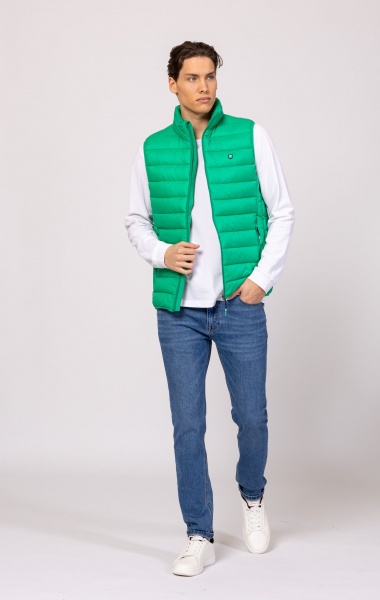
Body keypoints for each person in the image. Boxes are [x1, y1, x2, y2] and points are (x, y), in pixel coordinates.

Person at [125, 41, 295, 577]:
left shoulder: (250, 135)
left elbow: (282, 211)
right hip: (179, 312)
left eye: (210, 77)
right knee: (187, 425)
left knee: (252, 416)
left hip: (238, 306)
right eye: (192, 78)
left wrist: (261, 280)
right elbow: (136, 219)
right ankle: (198, 533)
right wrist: (161, 253)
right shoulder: (153, 148)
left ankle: (253, 499)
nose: (203, 87)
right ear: (172, 84)